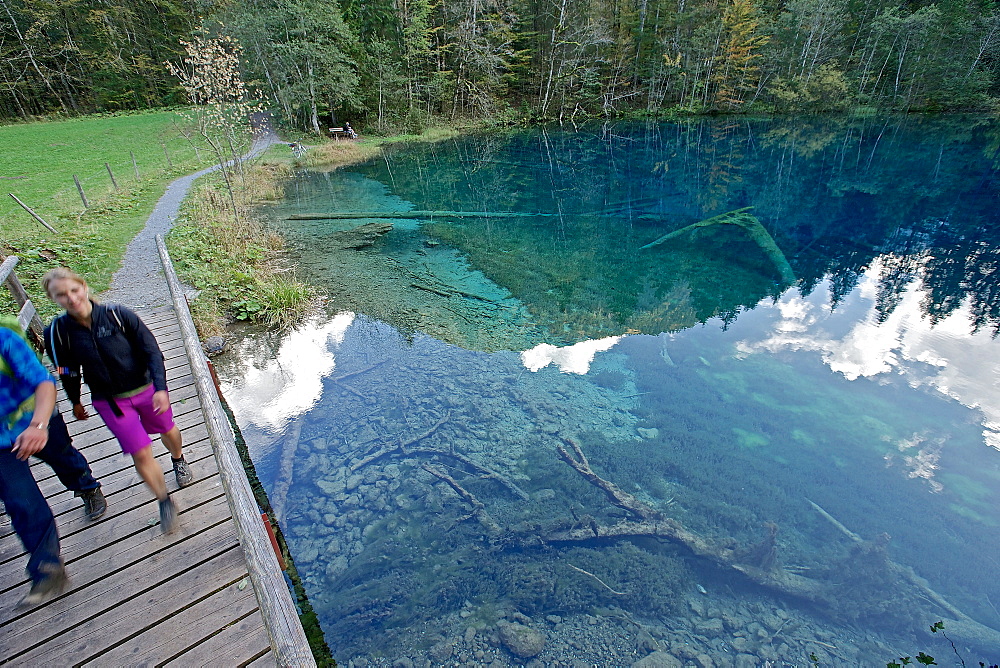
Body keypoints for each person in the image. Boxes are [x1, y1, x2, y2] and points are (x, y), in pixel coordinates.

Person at [42, 268, 192, 534]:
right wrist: (75, 401)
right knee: (140, 451)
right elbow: (67, 370)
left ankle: (178, 458)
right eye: (61, 295)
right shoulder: (58, 332)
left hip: (147, 390)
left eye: (74, 290)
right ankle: (164, 500)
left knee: (168, 430)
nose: (71, 299)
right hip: (110, 401)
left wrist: (161, 388)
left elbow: (152, 352)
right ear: (54, 299)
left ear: (84, 287)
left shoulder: (118, 316)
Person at [1, 324, 105, 605]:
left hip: (37, 416)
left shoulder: (4, 339)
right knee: (19, 499)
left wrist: (38, 425)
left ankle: (88, 487)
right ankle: (46, 567)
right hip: (2, 441)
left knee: (63, 457)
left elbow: (44, 382)